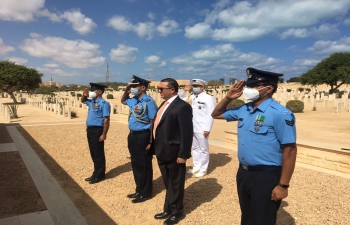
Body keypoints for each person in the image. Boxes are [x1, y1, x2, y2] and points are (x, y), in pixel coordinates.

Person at [211, 68, 297, 225]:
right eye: (248, 85)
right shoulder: (245, 109)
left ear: (269, 88)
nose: (248, 89)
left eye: (254, 85)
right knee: (247, 216)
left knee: (262, 219)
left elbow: (290, 150)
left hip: (266, 175)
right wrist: (228, 98)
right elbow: (215, 114)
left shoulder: (280, 113)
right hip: (244, 173)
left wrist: (283, 185)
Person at [152, 78, 193, 225]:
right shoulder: (164, 104)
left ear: (172, 90)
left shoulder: (182, 107)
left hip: (174, 153)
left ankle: (177, 211)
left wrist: (183, 154)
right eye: (159, 88)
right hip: (162, 151)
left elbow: (187, 133)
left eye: (162, 88)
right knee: (168, 183)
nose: (159, 91)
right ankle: (168, 208)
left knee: (175, 184)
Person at [121, 75, 157, 203]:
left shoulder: (148, 102)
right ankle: (139, 189)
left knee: (144, 164)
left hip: (143, 136)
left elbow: (154, 122)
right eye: (132, 86)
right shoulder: (133, 100)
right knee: (135, 163)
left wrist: (151, 141)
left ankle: (146, 192)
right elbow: (123, 101)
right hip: (132, 135)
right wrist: (126, 90)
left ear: (143, 87)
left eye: (134, 86)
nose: (132, 88)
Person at [178, 79, 215, 177]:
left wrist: (207, 128)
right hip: (192, 127)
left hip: (202, 127)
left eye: (197, 86)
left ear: (202, 87)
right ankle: (196, 166)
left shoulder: (208, 98)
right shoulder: (192, 97)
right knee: (194, 148)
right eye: (193, 86)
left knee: (203, 149)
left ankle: (203, 169)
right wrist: (184, 90)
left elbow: (211, 114)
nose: (194, 88)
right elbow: (178, 99)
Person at [81, 83, 111, 184]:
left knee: (98, 153)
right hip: (90, 130)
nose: (91, 92)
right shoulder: (92, 102)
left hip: (98, 130)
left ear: (100, 91)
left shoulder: (104, 103)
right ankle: (96, 173)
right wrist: (84, 95)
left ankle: (100, 175)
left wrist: (104, 134)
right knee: (93, 152)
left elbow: (106, 120)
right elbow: (83, 101)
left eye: (93, 90)